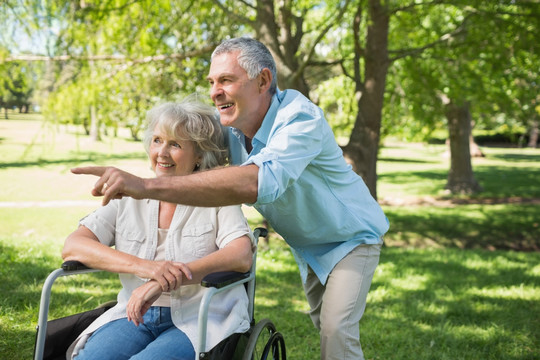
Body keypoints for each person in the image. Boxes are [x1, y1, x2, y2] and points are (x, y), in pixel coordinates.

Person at [72, 37, 389, 360]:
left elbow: (258, 181)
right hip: (306, 242)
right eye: (212, 82)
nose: (214, 92)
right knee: (325, 325)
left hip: (349, 237)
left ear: (263, 80)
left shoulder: (299, 119)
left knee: (336, 331)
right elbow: (187, 138)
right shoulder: (231, 128)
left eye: (226, 80)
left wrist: (145, 186)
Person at [63, 98, 255, 360]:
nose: (162, 153)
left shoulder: (217, 200)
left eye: (175, 144)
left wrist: (164, 281)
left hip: (201, 317)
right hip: (134, 313)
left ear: (199, 155)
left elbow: (241, 255)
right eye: (157, 140)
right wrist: (147, 268)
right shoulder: (127, 198)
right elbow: (74, 246)